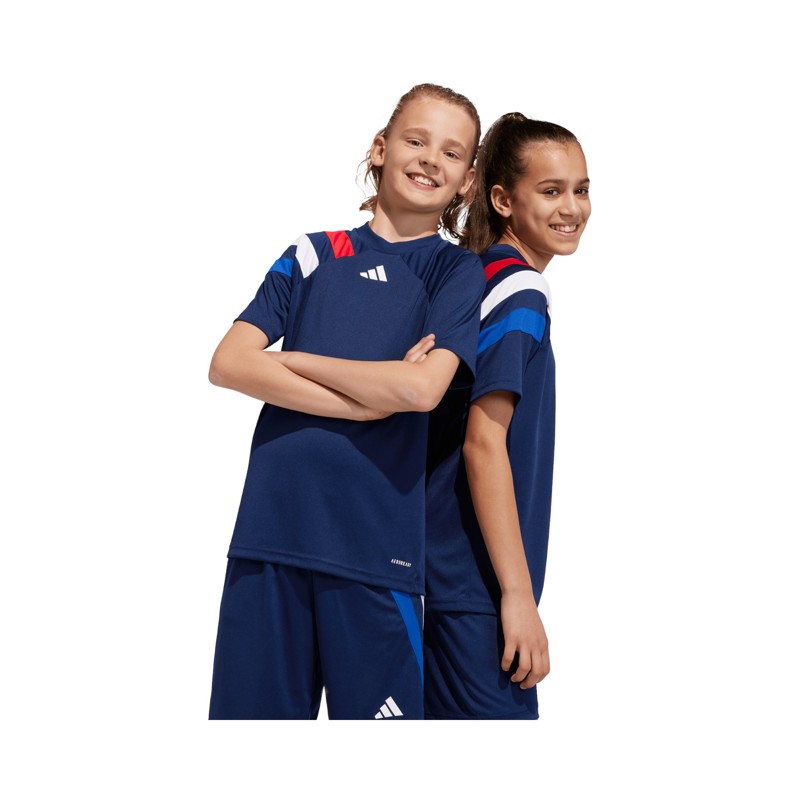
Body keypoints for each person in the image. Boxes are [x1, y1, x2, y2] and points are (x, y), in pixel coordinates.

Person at [207, 84, 485, 720]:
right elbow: (227, 363)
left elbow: (421, 389)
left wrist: (289, 360)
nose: (430, 159)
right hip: (269, 538)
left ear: (467, 182)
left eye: (451, 152)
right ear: (380, 148)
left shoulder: (455, 273)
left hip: (376, 552)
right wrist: (361, 402)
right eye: (416, 140)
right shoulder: (313, 253)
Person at [424, 113, 592, 719]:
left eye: (581, 189)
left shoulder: (471, 277)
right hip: (475, 592)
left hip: (434, 577)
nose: (571, 207)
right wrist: (517, 596)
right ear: (502, 200)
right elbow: (483, 442)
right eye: (550, 190)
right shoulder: (520, 291)